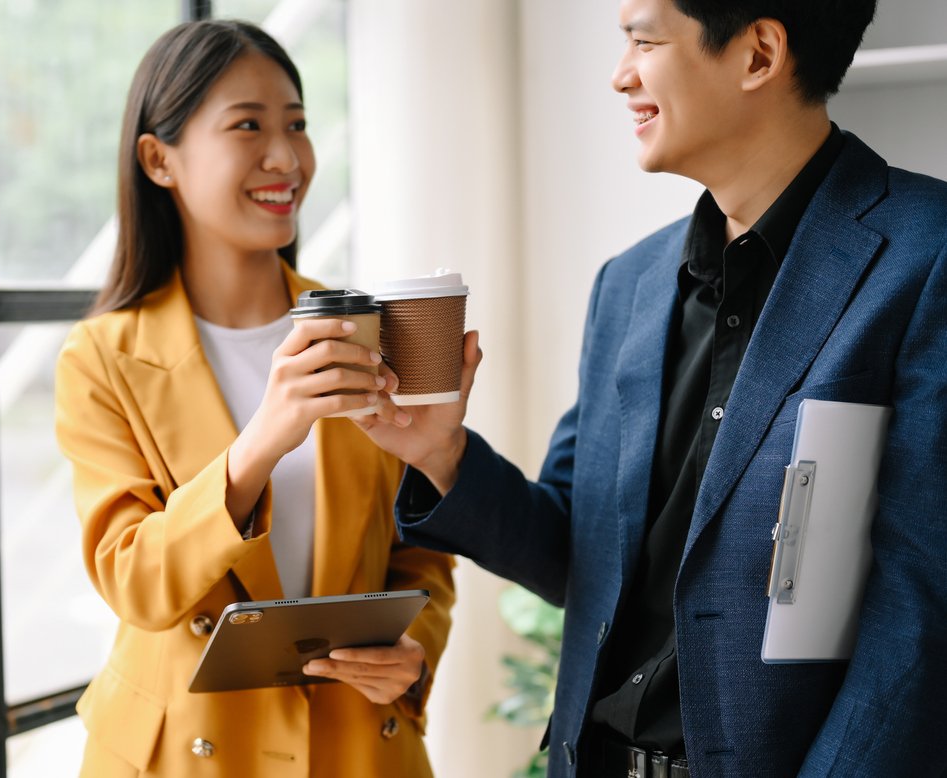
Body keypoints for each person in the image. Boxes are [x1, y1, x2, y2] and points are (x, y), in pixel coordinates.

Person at [357, 0, 947, 775]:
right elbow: (579, 558)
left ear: (758, 54)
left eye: (642, 41)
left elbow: (919, 612)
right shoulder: (628, 284)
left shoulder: (923, 252)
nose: (618, 75)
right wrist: (442, 453)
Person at [54, 20, 455, 777]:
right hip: (188, 753)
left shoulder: (367, 328)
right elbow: (136, 583)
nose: (287, 157)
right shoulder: (102, 358)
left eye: (296, 125)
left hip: (355, 743)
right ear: (158, 159)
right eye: (247, 126)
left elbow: (420, 553)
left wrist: (413, 653)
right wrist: (263, 439)